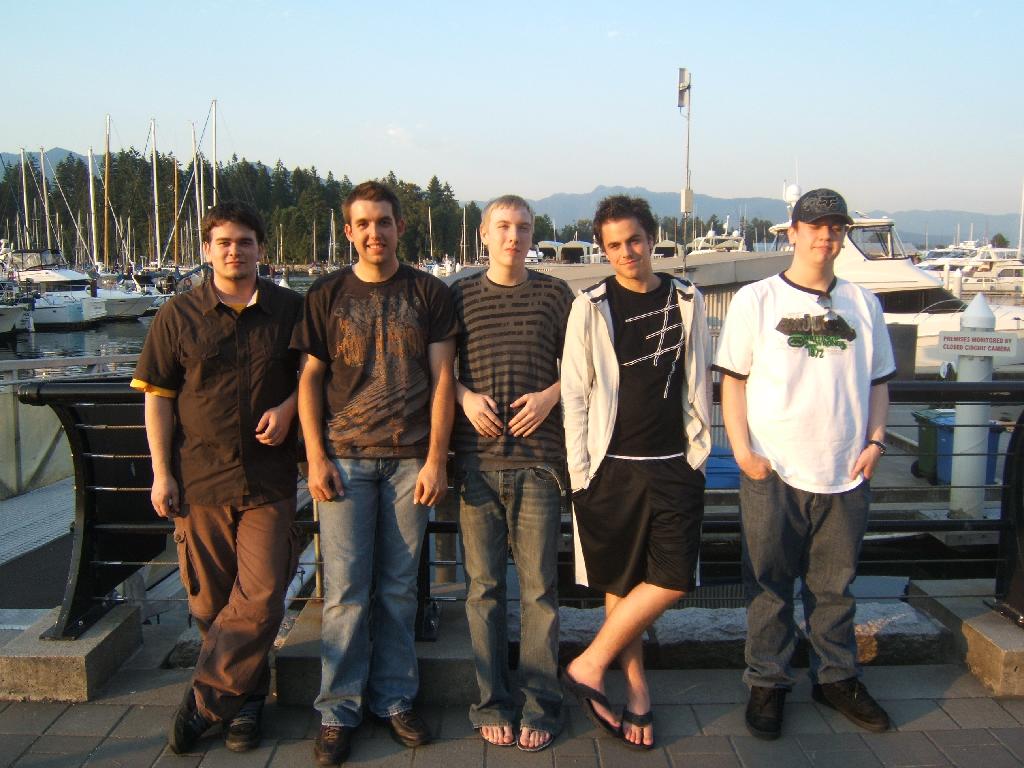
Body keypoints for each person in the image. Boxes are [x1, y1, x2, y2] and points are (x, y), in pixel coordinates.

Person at [714, 188, 896, 740]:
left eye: (836, 227)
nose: (826, 236)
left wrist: (877, 441)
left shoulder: (864, 303)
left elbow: (879, 383)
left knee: (835, 587)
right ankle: (767, 682)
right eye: (815, 226)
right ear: (793, 232)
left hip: (846, 469)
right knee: (768, 586)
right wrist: (742, 452)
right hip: (773, 469)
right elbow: (733, 382)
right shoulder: (756, 299)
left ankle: (836, 677)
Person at [292, 180, 457, 767]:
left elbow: (443, 378)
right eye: (362, 223)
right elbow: (309, 380)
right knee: (344, 590)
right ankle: (337, 709)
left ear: (399, 227)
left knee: (397, 588)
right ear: (349, 231)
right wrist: (314, 458)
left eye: (383, 221)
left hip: (410, 461)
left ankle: (394, 699)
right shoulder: (326, 294)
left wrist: (436, 458)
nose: (374, 233)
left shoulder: (429, 291)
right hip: (344, 460)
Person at [132, 200, 303, 754]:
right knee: (209, 604)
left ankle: (204, 703)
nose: (235, 251)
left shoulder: (289, 309)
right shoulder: (177, 315)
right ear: (206, 250)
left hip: (269, 480)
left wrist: (290, 408)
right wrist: (161, 473)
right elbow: (158, 399)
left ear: (261, 249)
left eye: (245, 241)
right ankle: (244, 703)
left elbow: (316, 378)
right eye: (224, 242)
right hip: (199, 478)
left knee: (262, 596)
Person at [561, 194, 712, 750]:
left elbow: (700, 379)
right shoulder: (591, 305)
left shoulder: (688, 299)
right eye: (614, 245)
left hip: (673, 463)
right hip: (612, 467)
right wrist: (582, 473)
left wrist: (698, 456)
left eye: (634, 240)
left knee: (672, 578)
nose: (626, 252)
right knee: (620, 585)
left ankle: (589, 662)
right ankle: (637, 691)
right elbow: (575, 394)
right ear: (604, 250)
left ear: (652, 239)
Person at [452, 195, 574, 752]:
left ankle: (542, 705)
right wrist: (463, 396)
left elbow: (585, 366)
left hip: (540, 463)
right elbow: (437, 368)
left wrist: (551, 396)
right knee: (483, 590)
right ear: (483, 234)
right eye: (502, 226)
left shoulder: (555, 295)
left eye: (523, 227)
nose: (513, 236)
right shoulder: (458, 296)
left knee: (540, 591)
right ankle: (491, 702)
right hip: (476, 464)